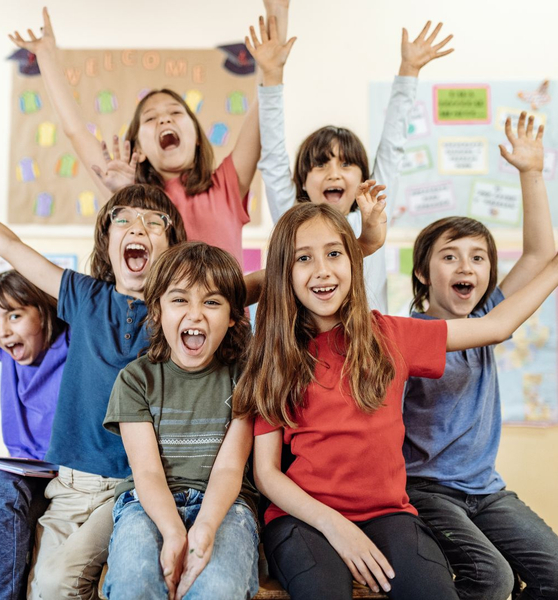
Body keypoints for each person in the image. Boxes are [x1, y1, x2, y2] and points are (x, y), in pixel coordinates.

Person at [233, 202, 558, 600]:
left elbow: (496, 326)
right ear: (284, 273)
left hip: (389, 515)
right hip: (302, 519)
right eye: (304, 259)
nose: (322, 270)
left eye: (335, 254)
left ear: (353, 262)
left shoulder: (390, 335)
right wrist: (336, 526)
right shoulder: (274, 355)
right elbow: (266, 474)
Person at [0, 184, 186, 598]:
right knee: (38, 587)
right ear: (107, 240)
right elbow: (9, 244)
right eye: (124, 220)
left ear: (172, 246)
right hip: (68, 486)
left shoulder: (177, 309)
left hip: (129, 486)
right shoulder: (83, 296)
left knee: (61, 581)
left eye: (155, 222)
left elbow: (247, 286)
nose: (138, 227)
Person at [403, 113, 558, 600]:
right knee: (492, 579)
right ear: (424, 274)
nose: (466, 265)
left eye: (478, 257)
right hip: (426, 491)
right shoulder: (411, 333)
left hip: (486, 491)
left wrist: (530, 173)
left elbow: (538, 256)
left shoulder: (486, 312)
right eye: (450, 256)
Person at [8, 7, 283, 266]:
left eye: (176, 112)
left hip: (227, 317)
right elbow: (76, 131)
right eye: (150, 118)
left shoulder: (226, 186)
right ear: (137, 148)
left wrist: (278, 14)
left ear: (197, 137)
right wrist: (45, 56)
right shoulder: (128, 192)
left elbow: (265, 101)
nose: (164, 118)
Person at [251, 7, 453, 311]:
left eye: (346, 164)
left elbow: (392, 147)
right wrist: (271, 75)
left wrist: (409, 71)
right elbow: (273, 156)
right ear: (302, 181)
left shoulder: (370, 218)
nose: (334, 173)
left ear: (363, 179)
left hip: (369, 350)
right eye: (320, 164)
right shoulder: (292, 219)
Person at [103, 242, 258, 600]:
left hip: (226, 505)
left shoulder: (245, 378)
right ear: (156, 310)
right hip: (146, 503)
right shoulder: (135, 379)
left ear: (233, 316)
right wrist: (174, 531)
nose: (195, 314)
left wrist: (204, 526)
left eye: (212, 302)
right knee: (133, 585)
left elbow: (229, 470)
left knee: (217, 589)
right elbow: (147, 473)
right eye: (179, 300)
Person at [0, 267, 67, 600]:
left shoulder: (73, 346)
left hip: (71, 479)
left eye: (15, 316)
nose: (2, 332)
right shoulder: (7, 351)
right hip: (27, 478)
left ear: (44, 310)